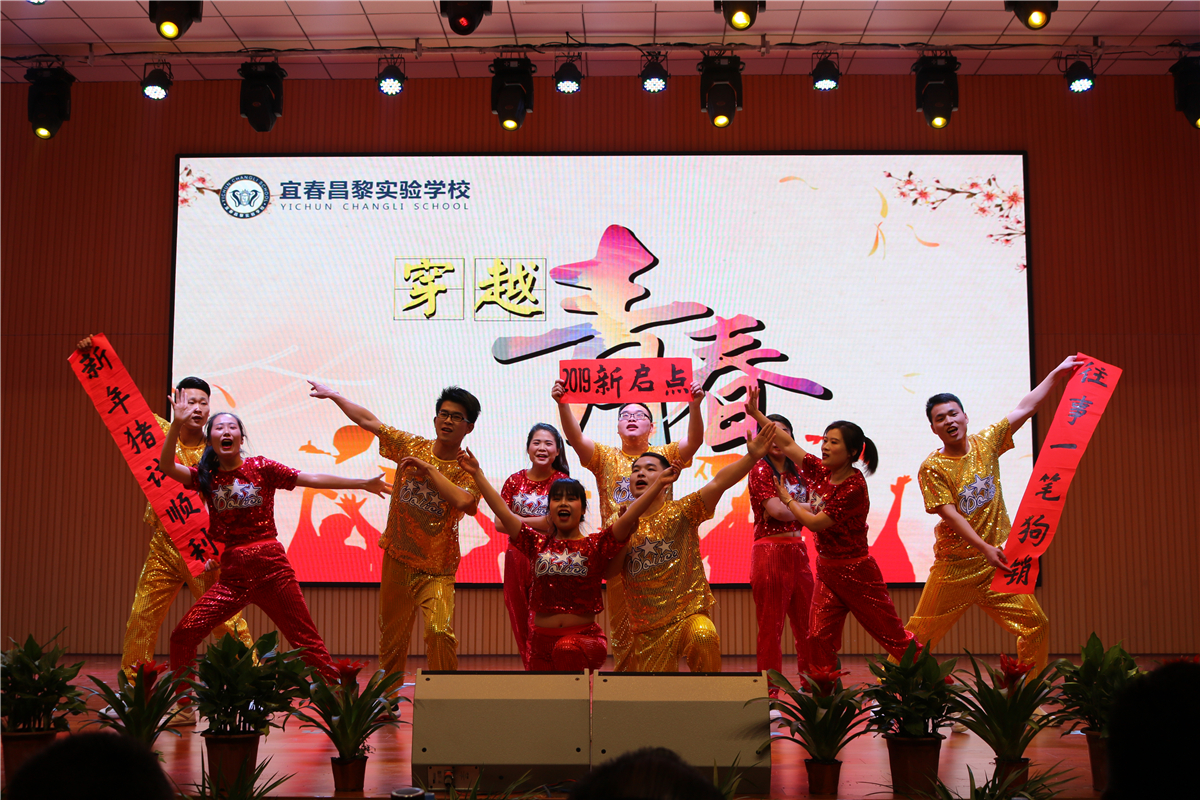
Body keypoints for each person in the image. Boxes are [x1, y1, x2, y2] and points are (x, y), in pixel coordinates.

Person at [74, 336, 253, 712]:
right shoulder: (154, 431)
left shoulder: (218, 446)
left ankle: (251, 689)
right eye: (191, 401)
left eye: (204, 403)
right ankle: (132, 694)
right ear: (176, 401)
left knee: (227, 619)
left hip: (203, 549)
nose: (198, 408)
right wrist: (95, 354)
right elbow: (117, 401)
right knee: (141, 617)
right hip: (164, 543)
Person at [159, 396, 390, 683]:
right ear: (211, 440)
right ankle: (182, 702)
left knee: (307, 642)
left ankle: (342, 701)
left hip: (272, 570)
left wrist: (363, 483)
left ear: (241, 438)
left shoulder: (261, 467)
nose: (226, 431)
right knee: (183, 634)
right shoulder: (206, 477)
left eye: (232, 427)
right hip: (233, 576)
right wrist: (177, 424)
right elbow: (167, 467)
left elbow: (311, 479)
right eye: (218, 428)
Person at [903, 355, 1081, 673]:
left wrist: (1057, 372)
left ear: (965, 416)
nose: (949, 421)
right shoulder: (932, 467)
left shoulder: (986, 444)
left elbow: (1026, 407)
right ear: (933, 428)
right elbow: (951, 515)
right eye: (940, 418)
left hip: (996, 566)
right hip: (954, 567)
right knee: (918, 636)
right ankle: (891, 693)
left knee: (1036, 625)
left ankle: (1025, 694)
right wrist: (983, 547)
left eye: (953, 414)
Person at [309, 381, 481, 681]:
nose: (448, 421)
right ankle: (387, 697)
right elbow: (369, 421)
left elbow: (466, 503)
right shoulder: (411, 446)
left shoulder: (467, 469)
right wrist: (334, 395)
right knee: (393, 638)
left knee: (439, 631)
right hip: (398, 560)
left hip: (437, 569)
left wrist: (430, 470)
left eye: (457, 417)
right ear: (435, 419)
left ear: (469, 427)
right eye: (444, 414)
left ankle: (447, 694)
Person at [453, 449, 674, 671]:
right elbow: (503, 512)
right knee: (546, 690)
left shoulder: (595, 545)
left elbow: (630, 515)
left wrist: (658, 484)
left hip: (582, 640)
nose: (563, 503)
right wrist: (477, 473)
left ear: (583, 508)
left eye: (571, 498)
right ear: (549, 508)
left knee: (566, 650)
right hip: (541, 644)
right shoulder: (536, 544)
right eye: (557, 498)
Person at [744, 388, 917, 672]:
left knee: (891, 636)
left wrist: (787, 500)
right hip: (826, 571)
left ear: (851, 452)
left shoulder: (853, 486)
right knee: (816, 637)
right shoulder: (821, 471)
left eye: (833, 442)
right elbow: (788, 444)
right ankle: (823, 695)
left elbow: (814, 523)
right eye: (824, 440)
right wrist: (756, 414)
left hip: (856, 573)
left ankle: (933, 683)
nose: (824, 446)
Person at [552, 380, 707, 671]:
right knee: (624, 633)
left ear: (651, 427)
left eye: (639, 415)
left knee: (663, 630)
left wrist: (695, 406)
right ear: (618, 428)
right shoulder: (605, 457)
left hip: (658, 559)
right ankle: (627, 689)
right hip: (621, 557)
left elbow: (694, 441)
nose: (632, 418)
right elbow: (575, 437)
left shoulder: (665, 456)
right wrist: (563, 405)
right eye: (625, 415)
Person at [618, 423, 777, 673]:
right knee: (655, 693)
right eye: (635, 469)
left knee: (704, 636)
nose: (640, 473)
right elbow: (609, 570)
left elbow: (718, 483)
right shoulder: (621, 523)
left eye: (650, 469)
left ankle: (709, 696)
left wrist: (751, 457)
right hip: (648, 629)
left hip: (688, 616)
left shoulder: (683, 512)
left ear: (667, 479)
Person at [746, 411, 815, 691]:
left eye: (782, 432)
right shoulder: (760, 469)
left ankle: (813, 687)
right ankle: (769, 694)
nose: (776, 438)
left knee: (808, 626)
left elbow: (812, 505)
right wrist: (813, 508)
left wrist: (798, 508)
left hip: (799, 550)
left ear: (791, 438)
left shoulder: (801, 471)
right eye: (769, 432)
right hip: (770, 552)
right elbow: (778, 511)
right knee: (771, 628)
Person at [499, 423, 572, 669]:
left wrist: (515, 521)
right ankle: (532, 673)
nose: (542, 448)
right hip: (516, 557)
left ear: (557, 451)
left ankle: (550, 674)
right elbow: (499, 523)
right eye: (537, 442)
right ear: (528, 448)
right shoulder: (513, 480)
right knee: (519, 618)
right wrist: (535, 522)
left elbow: (555, 521)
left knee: (541, 621)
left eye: (548, 443)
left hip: (549, 558)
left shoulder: (563, 482)